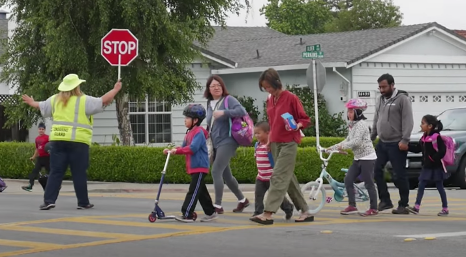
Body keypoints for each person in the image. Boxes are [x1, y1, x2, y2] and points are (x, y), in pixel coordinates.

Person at [22, 74, 121, 210]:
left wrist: (31, 102)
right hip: (78, 143)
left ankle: (48, 201)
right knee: (79, 173)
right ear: (77, 86)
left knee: (56, 172)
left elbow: (40, 105)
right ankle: (83, 202)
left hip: (57, 142)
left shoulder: (55, 100)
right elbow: (103, 101)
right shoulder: (84, 100)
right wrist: (115, 89)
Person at [250, 68, 313, 225]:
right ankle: (305, 211)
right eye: (265, 88)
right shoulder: (270, 100)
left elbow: (304, 119)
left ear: (276, 83)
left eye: (269, 87)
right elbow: (272, 123)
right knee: (288, 178)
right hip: (275, 143)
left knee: (277, 176)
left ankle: (268, 213)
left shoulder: (291, 98)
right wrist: (269, 140)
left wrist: (296, 126)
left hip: (289, 142)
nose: (268, 90)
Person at [164, 104, 218, 223]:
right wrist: (171, 150)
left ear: (195, 120)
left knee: (193, 190)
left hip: (199, 167)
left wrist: (177, 150)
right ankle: (211, 212)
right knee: (200, 191)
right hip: (193, 167)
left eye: (187, 118)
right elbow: (183, 148)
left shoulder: (198, 132)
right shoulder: (189, 133)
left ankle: (187, 213)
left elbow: (192, 148)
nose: (185, 120)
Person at [204, 75, 249, 214]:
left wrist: (224, 112)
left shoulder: (229, 100)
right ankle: (243, 200)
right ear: (209, 89)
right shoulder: (209, 103)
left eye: (219, 85)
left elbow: (242, 111)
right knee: (226, 176)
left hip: (228, 140)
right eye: (213, 86)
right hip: (216, 142)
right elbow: (210, 123)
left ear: (222, 87)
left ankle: (217, 205)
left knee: (216, 171)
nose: (216, 88)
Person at [326, 99, 378, 216]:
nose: (348, 114)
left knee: (368, 182)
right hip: (358, 158)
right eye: (348, 111)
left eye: (351, 111)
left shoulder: (361, 125)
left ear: (358, 112)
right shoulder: (352, 125)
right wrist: (331, 148)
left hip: (367, 158)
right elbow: (348, 140)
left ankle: (374, 208)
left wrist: (341, 146)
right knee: (348, 179)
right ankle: (352, 206)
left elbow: (356, 142)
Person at [371, 73, 414, 214]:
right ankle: (385, 201)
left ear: (392, 85)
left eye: (384, 87)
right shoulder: (380, 100)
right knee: (376, 171)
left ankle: (404, 204)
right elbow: (376, 119)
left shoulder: (402, 99)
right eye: (380, 87)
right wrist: (372, 137)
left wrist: (405, 140)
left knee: (398, 175)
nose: (382, 90)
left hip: (397, 143)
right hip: (382, 143)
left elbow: (408, 121)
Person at [406, 115, 449, 216]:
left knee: (439, 187)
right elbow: (418, 149)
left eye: (422, 123)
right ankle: (416, 207)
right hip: (426, 166)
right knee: (421, 184)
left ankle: (445, 208)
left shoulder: (436, 137)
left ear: (430, 126)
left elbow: (442, 151)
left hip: (436, 167)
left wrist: (433, 158)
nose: (421, 125)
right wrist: (407, 147)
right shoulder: (424, 137)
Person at [251, 121, 294, 219]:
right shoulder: (257, 145)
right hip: (261, 177)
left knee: (276, 196)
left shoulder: (271, 146)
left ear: (267, 133)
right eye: (255, 133)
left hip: (271, 177)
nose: (256, 135)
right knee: (258, 196)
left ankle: (288, 207)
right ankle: (258, 212)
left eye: (259, 133)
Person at [22, 122, 50, 192]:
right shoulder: (37, 139)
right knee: (34, 172)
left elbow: (52, 146)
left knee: (51, 173)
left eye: (42, 129)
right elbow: (37, 149)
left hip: (47, 158)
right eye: (40, 129)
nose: (41, 130)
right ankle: (30, 186)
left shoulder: (48, 137)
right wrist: (33, 157)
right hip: (40, 158)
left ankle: (57, 186)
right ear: (38, 130)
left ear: (44, 130)